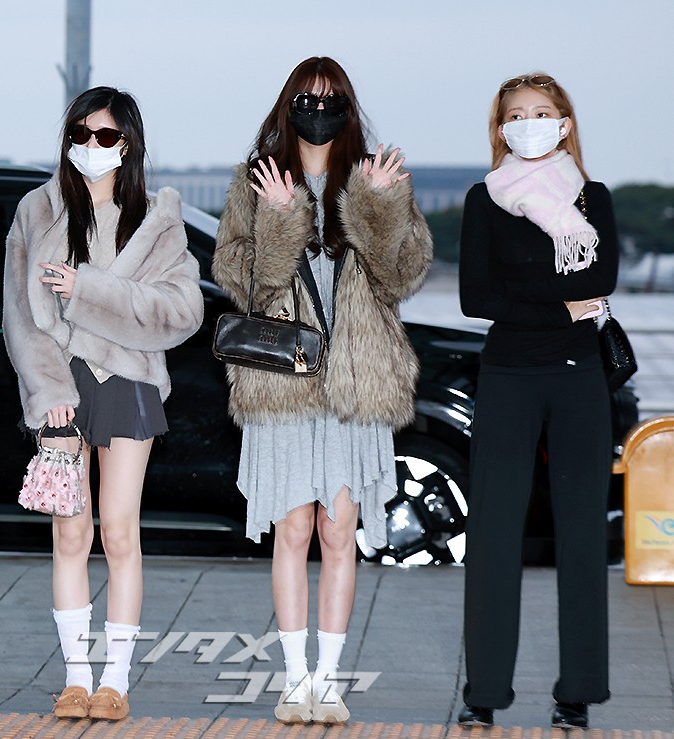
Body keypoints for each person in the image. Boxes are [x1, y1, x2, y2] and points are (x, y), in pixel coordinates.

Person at [212, 57, 432, 724]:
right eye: (306, 98)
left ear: (348, 107)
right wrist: (279, 218)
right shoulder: (256, 179)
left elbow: (400, 277)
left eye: (330, 98)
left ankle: (329, 682)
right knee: (292, 528)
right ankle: (294, 679)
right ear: (288, 106)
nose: (318, 109)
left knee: (339, 533)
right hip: (283, 383)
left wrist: (378, 205)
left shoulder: (375, 175)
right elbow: (243, 283)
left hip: (354, 382)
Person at [2, 86, 203, 722]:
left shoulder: (156, 219)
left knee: (119, 530)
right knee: (70, 531)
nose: (91, 146)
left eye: (107, 136)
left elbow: (182, 312)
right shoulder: (37, 211)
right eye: (80, 134)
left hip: (128, 379)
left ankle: (115, 679)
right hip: (61, 384)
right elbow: (20, 316)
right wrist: (48, 393)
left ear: (129, 144)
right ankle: (75, 677)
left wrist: (87, 290)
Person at [457, 72, 618, 731]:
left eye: (542, 112)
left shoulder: (592, 198)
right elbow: (475, 297)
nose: (529, 123)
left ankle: (578, 691)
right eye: (516, 114)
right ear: (501, 129)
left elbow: (602, 277)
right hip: (508, 377)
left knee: (582, 533)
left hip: (580, 379)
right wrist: (563, 306)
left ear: (565, 123)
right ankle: (484, 693)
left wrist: (527, 299)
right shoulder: (485, 198)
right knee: (493, 535)